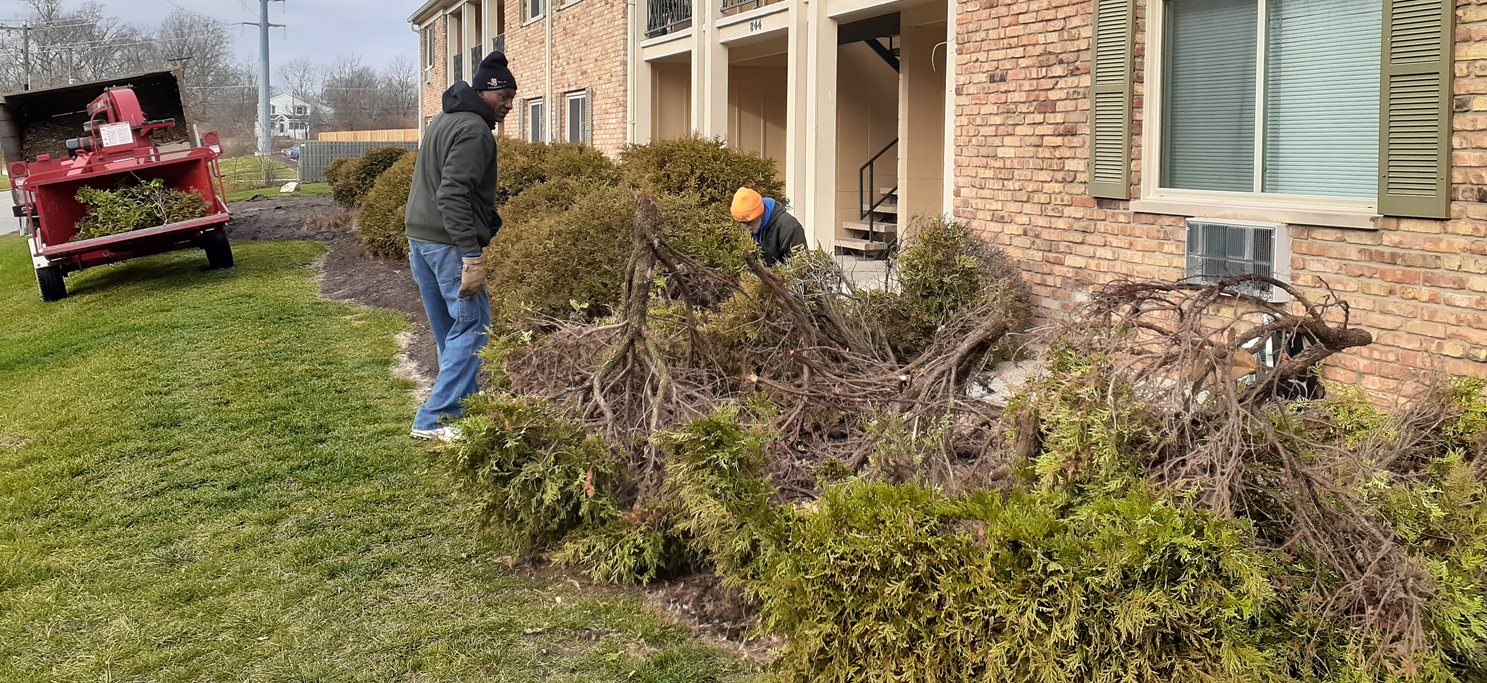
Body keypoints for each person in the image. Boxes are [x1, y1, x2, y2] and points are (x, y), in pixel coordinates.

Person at [402, 51, 517, 443]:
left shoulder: (446, 119)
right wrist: (471, 254)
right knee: (472, 326)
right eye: (505, 97)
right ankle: (434, 418)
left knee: (450, 328)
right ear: (488, 90)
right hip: (449, 244)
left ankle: (462, 402)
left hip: (422, 239)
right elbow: (453, 194)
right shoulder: (474, 130)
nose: (509, 105)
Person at [731, 187, 806, 266]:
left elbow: (800, 267)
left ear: (760, 213)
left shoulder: (789, 227)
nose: (745, 227)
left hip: (780, 276)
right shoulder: (744, 228)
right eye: (741, 223)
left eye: (749, 222)